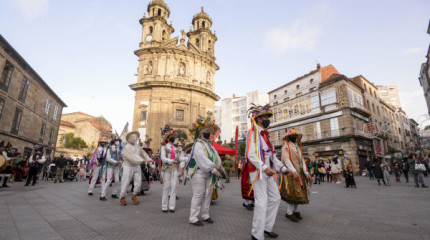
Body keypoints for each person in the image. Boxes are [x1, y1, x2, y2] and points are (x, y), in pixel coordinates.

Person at [245, 104, 292, 240]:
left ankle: (266, 227)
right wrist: (264, 168)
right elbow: (251, 154)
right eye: (265, 117)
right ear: (259, 119)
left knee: (276, 198)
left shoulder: (267, 136)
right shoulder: (252, 133)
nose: (267, 119)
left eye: (267, 117)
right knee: (261, 201)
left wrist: (283, 169)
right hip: (258, 171)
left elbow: (273, 157)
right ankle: (256, 234)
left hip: (269, 171)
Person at [187, 115, 223, 227]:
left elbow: (216, 157)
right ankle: (193, 217)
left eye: (209, 131)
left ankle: (205, 215)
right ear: (200, 134)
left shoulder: (210, 145)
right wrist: (213, 168)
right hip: (198, 172)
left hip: (208, 172)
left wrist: (220, 167)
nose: (208, 133)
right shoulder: (197, 144)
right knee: (198, 194)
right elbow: (202, 158)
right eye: (206, 131)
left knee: (208, 194)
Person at [280, 128, 312, 223]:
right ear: (289, 137)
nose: (294, 137)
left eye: (295, 136)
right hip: (291, 174)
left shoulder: (297, 147)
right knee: (292, 193)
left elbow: (302, 160)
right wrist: (293, 171)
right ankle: (289, 213)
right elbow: (286, 159)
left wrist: (306, 172)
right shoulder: (285, 146)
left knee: (299, 193)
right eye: (293, 136)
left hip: (299, 172)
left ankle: (296, 211)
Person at [120, 131, 151, 206]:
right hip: (128, 166)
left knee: (138, 181)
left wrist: (148, 159)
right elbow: (131, 158)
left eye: (135, 137)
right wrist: (142, 160)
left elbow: (143, 153)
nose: (135, 139)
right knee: (126, 181)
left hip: (137, 166)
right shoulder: (126, 147)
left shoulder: (137, 146)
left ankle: (134, 195)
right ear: (129, 139)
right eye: (133, 137)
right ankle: (122, 197)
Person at [160, 126, 183, 213]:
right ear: (168, 138)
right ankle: (164, 206)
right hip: (167, 170)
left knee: (174, 188)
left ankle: (172, 206)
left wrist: (186, 158)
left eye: (174, 136)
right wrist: (172, 161)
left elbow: (180, 158)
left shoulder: (176, 148)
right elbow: (163, 158)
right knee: (166, 187)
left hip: (175, 170)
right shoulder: (164, 147)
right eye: (172, 136)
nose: (174, 138)